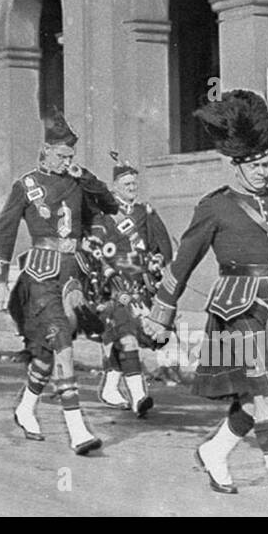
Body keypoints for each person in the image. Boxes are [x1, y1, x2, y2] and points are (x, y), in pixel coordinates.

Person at [142, 90, 268, 516]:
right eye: (252, 164)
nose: (260, 170)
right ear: (233, 164)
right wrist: (162, 315)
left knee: (257, 400)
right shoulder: (215, 207)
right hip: (235, 315)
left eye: (265, 162)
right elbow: (181, 265)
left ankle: (215, 451)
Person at [0, 112, 118, 455]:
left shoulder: (78, 182)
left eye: (71, 157)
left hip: (72, 276)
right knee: (62, 342)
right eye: (61, 156)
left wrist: (87, 177)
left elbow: (110, 206)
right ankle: (77, 428)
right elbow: (4, 231)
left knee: (47, 353)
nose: (66, 162)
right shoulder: (26, 185)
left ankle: (25, 407)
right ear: (45, 151)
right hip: (41, 275)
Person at [88, 159, 173, 417]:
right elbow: (96, 250)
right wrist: (112, 269)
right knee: (127, 335)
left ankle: (110, 387)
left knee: (150, 335)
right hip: (116, 288)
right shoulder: (104, 218)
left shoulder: (145, 212)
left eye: (134, 183)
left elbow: (162, 246)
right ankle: (138, 397)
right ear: (114, 187)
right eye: (126, 184)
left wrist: (157, 261)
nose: (132, 187)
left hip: (142, 287)